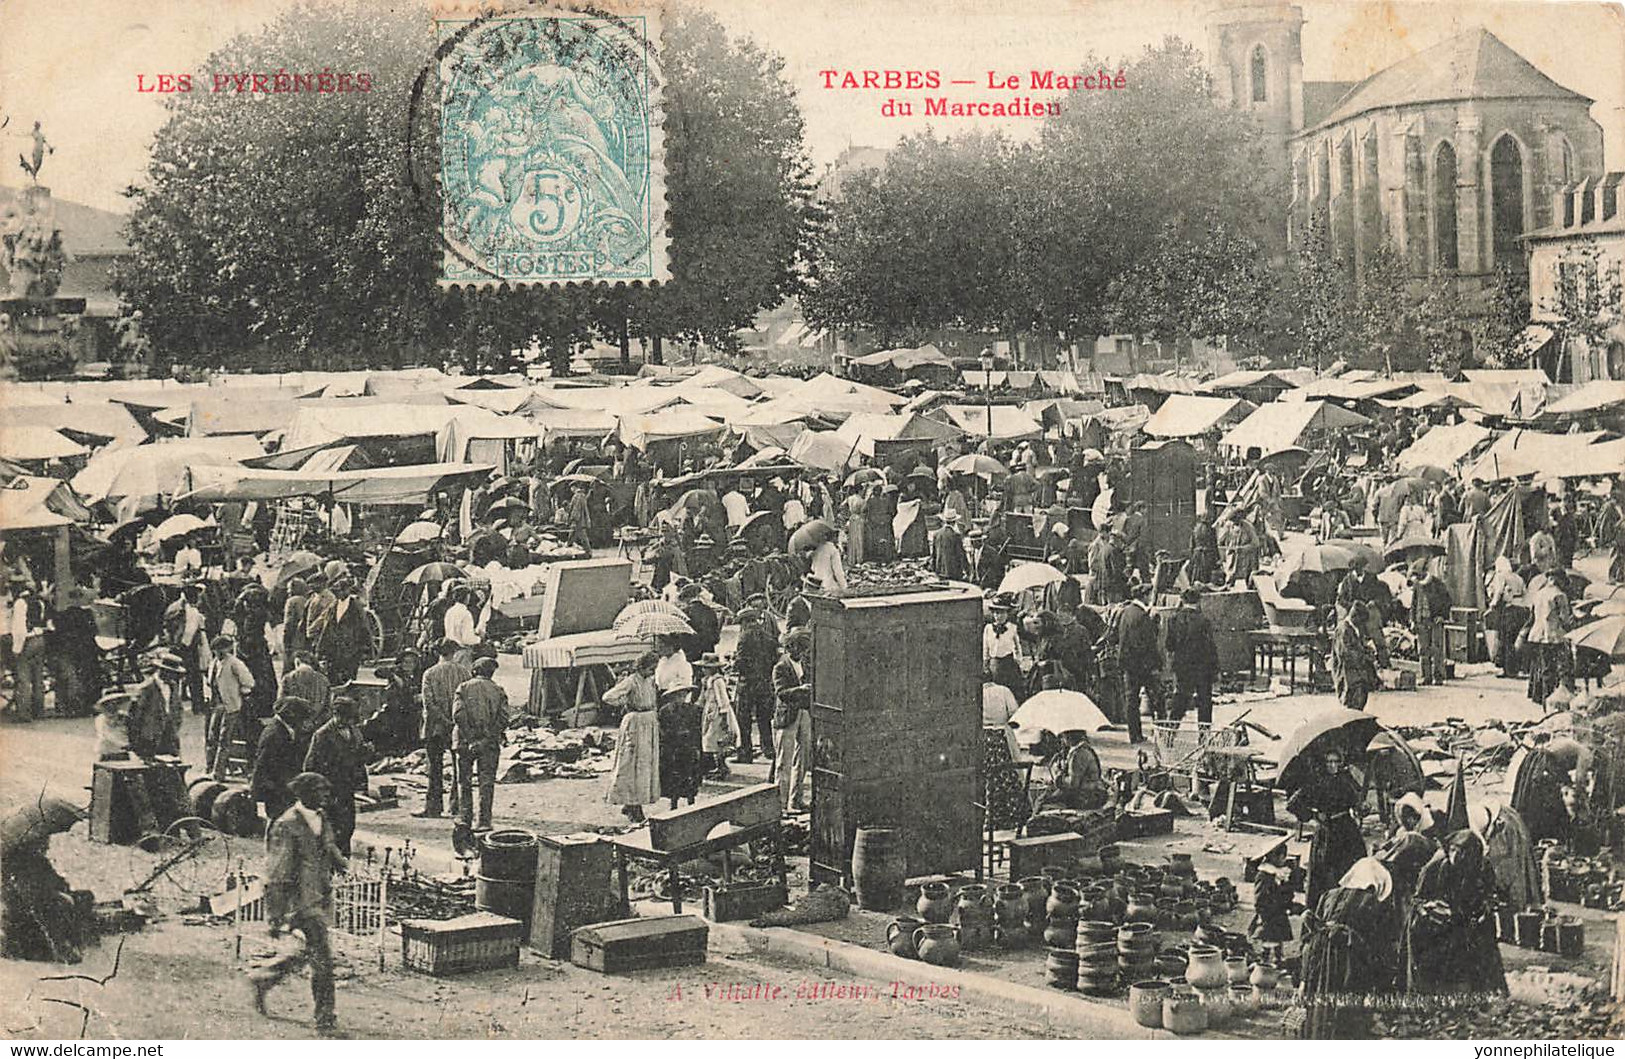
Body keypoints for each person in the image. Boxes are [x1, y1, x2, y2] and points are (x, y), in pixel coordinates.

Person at [251, 772, 347, 1033]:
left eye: (327, 790)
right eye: (320, 791)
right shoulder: (286, 825)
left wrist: (339, 861)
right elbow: (277, 872)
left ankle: (265, 978)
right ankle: (325, 1018)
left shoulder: (321, 817)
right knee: (323, 959)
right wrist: (275, 913)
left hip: (318, 896)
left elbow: (327, 844)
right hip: (298, 901)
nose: (326, 795)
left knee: (307, 952)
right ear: (304, 793)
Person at [1296, 858, 1399, 1038]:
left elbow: (1312, 931)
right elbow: (1380, 945)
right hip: (1349, 959)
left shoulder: (1328, 895)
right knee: (1346, 1010)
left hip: (1318, 954)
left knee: (1319, 1004)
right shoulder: (1374, 903)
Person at [1404, 827, 1507, 997]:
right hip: (1436, 925)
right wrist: (1433, 910)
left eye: (1465, 855)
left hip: (1469, 918)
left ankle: (1484, 990)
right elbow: (1417, 901)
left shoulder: (1483, 866)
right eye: (1454, 851)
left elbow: (1490, 894)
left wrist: (1485, 908)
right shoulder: (1435, 868)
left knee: (1482, 948)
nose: (1458, 858)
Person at [1287, 748, 1367, 911]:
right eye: (1329, 762)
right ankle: (1322, 910)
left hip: (1347, 831)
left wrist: (1363, 808)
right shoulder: (1316, 782)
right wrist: (1314, 815)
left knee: (1351, 869)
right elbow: (1292, 804)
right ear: (1324, 764)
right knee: (1324, 874)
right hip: (1326, 833)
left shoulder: (1347, 781)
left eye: (1336, 762)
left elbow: (1356, 804)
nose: (1333, 765)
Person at [303, 695, 368, 856]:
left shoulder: (354, 731)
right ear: (336, 714)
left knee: (348, 826)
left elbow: (358, 758)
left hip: (347, 787)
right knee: (331, 830)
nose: (349, 721)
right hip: (330, 789)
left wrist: (365, 755)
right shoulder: (322, 735)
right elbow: (310, 766)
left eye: (351, 718)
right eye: (345, 718)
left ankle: (343, 864)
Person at [453, 656, 510, 831]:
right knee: (487, 782)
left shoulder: (463, 688)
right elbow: (504, 719)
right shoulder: (498, 691)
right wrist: (485, 739)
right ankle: (484, 821)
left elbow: (458, 714)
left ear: (475, 670)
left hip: (464, 742)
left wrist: (470, 738)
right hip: (489, 743)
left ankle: (465, 817)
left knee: (464, 781)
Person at [603, 650, 661, 821]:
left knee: (645, 765)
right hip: (635, 723)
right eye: (651, 668)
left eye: (655, 668)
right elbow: (608, 697)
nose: (653, 671)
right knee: (632, 764)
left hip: (649, 722)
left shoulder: (650, 681)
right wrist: (624, 702)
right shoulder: (630, 681)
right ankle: (633, 805)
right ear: (642, 667)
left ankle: (633, 803)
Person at [415, 640, 469, 819]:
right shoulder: (464, 673)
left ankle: (433, 807)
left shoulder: (429, 673)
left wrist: (443, 720)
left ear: (437, 652)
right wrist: (454, 721)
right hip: (458, 727)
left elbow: (428, 703)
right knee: (459, 769)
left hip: (435, 727)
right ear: (454, 652)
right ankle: (457, 807)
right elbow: (466, 701)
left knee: (434, 768)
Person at [252, 695, 312, 825]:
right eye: (301, 718)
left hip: (283, 787)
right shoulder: (274, 734)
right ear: (290, 716)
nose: (302, 723)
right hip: (276, 790)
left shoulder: (284, 729)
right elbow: (266, 766)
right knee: (278, 824)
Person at [731, 597, 778, 764]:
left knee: (743, 718)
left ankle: (745, 752)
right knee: (764, 718)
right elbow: (774, 657)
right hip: (764, 682)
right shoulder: (767, 635)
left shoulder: (744, 637)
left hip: (748, 683)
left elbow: (741, 662)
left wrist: (734, 664)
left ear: (744, 622)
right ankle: (769, 749)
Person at [772, 628, 813, 814]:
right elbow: (781, 693)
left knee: (802, 759)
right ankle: (780, 805)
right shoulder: (780, 667)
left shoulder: (804, 663)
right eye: (799, 648)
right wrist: (801, 690)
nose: (802, 652)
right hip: (787, 716)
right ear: (790, 647)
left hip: (803, 713)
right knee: (784, 763)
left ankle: (795, 801)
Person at [1163, 587, 1218, 725]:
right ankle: (1204, 736)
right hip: (1203, 668)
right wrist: (1216, 669)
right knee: (1205, 701)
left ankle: (1170, 733)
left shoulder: (1174, 620)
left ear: (1182, 600)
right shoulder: (1204, 621)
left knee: (1180, 700)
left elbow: (1169, 645)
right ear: (1198, 601)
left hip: (1183, 667)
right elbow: (1211, 648)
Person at [48, 587, 104, 716]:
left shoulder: (62, 615)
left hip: (69, 649)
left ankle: (71, 706)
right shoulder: (88, 614)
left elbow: (57, 632)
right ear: (81, 599)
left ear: (70, 599)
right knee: (89, 676)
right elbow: (94, 632)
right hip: (87, 650)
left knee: (70, 677)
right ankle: (88, 705)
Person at [1525, 567, 1575, 707]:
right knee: (1562, 667)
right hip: (1555, 635)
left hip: (1538, 634)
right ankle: (1557, 698)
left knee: (1545, 667)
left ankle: (1544, 698)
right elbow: (1564, 619)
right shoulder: (1560, 596)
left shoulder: (1538, 594)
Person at [208, 634, 256, 780]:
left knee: (224, 739)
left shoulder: (235, 663)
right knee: (212, 736)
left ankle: (218, 772)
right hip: (217, 704)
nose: (218, 652)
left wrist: (240, 694)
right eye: (216, 650)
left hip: (231, 706)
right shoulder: (214, 663)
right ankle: (213, 767)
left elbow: (249, 682)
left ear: (227, 648)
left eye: (221, 649)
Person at [1116, 592, 1161, 741]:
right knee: (1156, 697)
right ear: (1145, 597)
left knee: (1132, 700)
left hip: (1128, 664)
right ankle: (1161, 731)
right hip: (1143, 665)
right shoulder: (1142, 616)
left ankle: (1134, 735)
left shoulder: (1126, 612)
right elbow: (1148, 642)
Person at [128, 650, 184, 758]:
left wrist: (175, 724)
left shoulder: (174, 686)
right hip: (150, 736)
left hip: (169, 734)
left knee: (174, 767)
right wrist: (136, 740)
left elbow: (178, 708)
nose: (173, 676)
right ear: (161, 670)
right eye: (170, 672)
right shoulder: (146, 688)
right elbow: (136, 715)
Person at [1035, 729, 1110, 811]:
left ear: (1069, 736)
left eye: (1063, 736)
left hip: (1086, 796)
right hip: (1089, 793)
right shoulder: (1082, 749)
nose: (1062, 739)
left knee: (1042, 801)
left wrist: (1058, 776)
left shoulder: (1078, 754)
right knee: (1046, 796)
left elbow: (1073, 784)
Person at [656, 684, 704, 809]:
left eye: (683, 695)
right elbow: (662, 730)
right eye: (677, 695)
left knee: (690, 775)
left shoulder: (694, 710)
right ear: (671, 697)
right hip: (672, 748)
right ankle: (673, 804)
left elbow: (698, 730)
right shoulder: (665, 711)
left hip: (688, 747)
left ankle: (691, 802)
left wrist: (695, 745)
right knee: (674, 778)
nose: (681, 698)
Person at [167, 583, 211, 715]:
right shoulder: (192, 611)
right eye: (196, 595)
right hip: (187, 647)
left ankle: (172, 706)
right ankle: (198, 706)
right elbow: (190, 632)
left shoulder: (173, 607)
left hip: (174, 646)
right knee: (195, 677)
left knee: (173, 677)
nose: (198, 598)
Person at [1410, 559, 1453, 686]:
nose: (1416, 577)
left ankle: (1438, 677)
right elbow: (1414, 604)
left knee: (1437, 649)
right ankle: (1426, 676)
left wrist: (1442, 615)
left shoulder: (1437, 583)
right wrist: (1413, 620)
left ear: (1424, 572)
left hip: (1434, 620)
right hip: (1421, 620)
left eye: (1418, 574)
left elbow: (1447, 600)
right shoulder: (1417, 586)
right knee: (1423, 650)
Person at [1331, 601, 1380, 711]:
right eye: (1362, 621)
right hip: (1347, 674)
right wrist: (1365, 657)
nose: (1363, 624)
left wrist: (1368, 650)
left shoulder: (1355, 628)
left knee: (1360, 701)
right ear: (1355, 616)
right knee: (1351, 705)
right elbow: (1345, 653)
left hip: (1358, 673)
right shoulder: (1343, 630)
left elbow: (1359, 646)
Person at [1248, 843, 1295, 956]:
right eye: (1283, 857)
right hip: (1268, 914)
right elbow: (1259, 897)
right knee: (1268, 940)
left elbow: (1286, 892)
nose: (1284, 860)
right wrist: (1262, 913)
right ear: (1274, 857)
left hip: (1279, 912)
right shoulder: (1264, 875)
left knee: (1278, 940)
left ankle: (1278, 959)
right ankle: (1265, 963)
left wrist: (1287, 900)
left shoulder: (1280, 873)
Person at [1485, 555, 1528, 678]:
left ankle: (1507, 669)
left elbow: (1498, 592)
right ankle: (1515, 668)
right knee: (1516, 639)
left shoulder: (1501, 576)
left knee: (1505, 638)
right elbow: (1525, 593)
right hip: (1520, 609)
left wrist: (1493, 604)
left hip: (1508, 609)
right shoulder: (1518, 577)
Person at [695, 653, 736, 778]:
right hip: (711, 712)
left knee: (716, 741)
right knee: (709, 741)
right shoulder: (708, 680)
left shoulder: (718, 681)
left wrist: (724, 718)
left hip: (718, 713)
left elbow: (723, 700)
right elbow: (703, 698)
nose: (703, 670)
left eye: (705, 668)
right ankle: (718, 767)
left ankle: (722, 767)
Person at [983, 599, 1025, 701]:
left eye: (1002, 613)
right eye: (996, 613)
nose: (999, 616)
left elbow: (1017, 646)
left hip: (1008, 663)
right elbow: (985, 647)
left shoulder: (1012, 628)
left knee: (1012, 690)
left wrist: (1019, 660)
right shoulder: (988, 628)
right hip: (994, 664)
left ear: (1007, 614)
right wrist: (985, 662)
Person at [280, 651, 331, 725]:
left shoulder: (287, 679)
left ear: (297, 662)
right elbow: (328, 709)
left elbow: (280, 705)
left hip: (293, 726)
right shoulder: (324, 680)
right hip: (316, 726)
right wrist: (314, 722)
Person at [679, 582, 720, 662]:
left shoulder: (685, 612)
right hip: (708, 649)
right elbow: (715, 633)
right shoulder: (710, 610)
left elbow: (683, 635)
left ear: (686, 598)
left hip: (691, 650)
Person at [442, 586, 480, 665]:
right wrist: (479, 639)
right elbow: (467, 639)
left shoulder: (449, 611)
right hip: (461, 652)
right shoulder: (465, 613)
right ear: (466, 597)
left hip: (449, 651)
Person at [281, 577, 311, 665]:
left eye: (289, 589)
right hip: (305, 638)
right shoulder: (307, 600)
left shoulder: (291, 601)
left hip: (295, 639)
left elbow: (289, 623)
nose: (288, 591)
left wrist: (286, 640)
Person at [932, 509, 968, 581]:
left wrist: (935, 569)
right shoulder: (955, 535)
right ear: (954, 522)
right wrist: (967, 570)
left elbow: (934, 554)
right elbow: (960, 555)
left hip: (940, 570)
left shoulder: (936, 534)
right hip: (953, 571)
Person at [1187, 511, 1219, 586]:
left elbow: (1191, 545)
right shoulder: (1211, 529)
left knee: (1196, 572)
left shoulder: (1195, 529)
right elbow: (1214, 544)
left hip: (1197, 553)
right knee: (1206, 574)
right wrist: (1217, 557)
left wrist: (1191, 555)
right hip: (1208, 553)